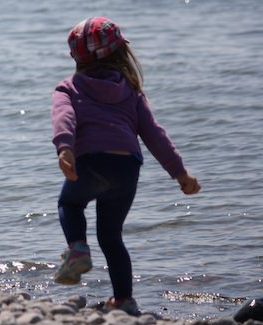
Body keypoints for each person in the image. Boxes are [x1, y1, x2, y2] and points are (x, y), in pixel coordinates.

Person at [50, 17, 201, 315]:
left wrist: (65, 147)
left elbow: (63, 118)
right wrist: (180, 173)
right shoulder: (131, 91)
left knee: (70, 203)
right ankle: (124, 299)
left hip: (90, 161)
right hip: (127, 167)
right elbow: (155, 135)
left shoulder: (68, 87)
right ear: (121, 54)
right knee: (111, 235)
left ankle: (77, 248)